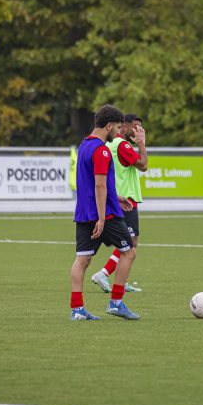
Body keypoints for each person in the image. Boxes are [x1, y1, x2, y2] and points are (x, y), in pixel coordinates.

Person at [69, 104, 140, 320]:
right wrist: (101, 218)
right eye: (117, 127)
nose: (118, 132)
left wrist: (117, 197)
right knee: (129, 252)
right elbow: (100, 185)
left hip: (84, 212)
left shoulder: (84, 145)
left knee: (82, 260)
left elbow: (94, 183)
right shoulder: (102, 150)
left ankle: (77, 310)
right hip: (105, 215)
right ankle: (116, 303)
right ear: (109, 125)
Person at [91, 113, 148, 294]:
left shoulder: (110, 144)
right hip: (126, 198)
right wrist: (141, 143)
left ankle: (120, 279)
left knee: (127, 241)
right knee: (130, 242)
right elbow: (143, 165)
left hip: (116, 196)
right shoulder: (122, 145)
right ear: (124, 126)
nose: (138, 130)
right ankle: (104, 274)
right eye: (135, 127)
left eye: (141, 128)